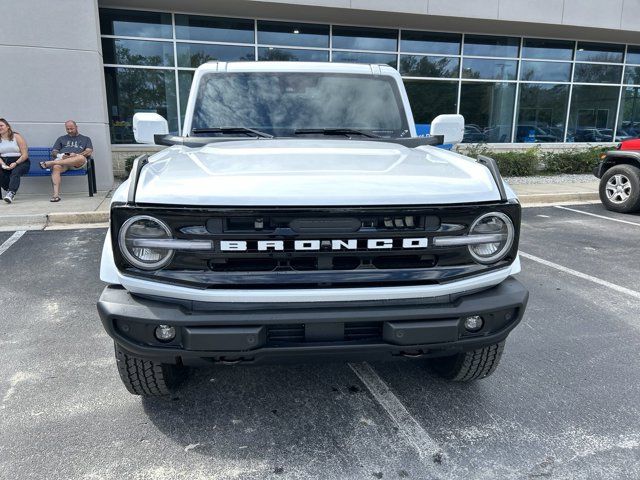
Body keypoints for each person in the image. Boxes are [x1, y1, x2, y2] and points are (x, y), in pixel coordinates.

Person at [39, 120, 93, 202]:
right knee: (56, 167)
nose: (70, 131)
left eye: (72, 129)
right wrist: (60, 155)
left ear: (76, 127)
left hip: (77, 162)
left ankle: (51, 163)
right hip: (63, 161)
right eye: (68, 129)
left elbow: (89, 151)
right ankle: (56, 195)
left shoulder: (86, 139)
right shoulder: (61, 139)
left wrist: (76, 155)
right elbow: (54, 152)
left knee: (81, 158)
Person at [0, 118, 30, 204]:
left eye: (1, 125)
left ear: (8, 127)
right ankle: (8, 189)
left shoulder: (16, 136)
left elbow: (25, 154)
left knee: (15, 171)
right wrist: (2, 164)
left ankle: (11, 193)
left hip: (21, 161)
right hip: (5, 161)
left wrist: (16, 163)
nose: (0, 128)